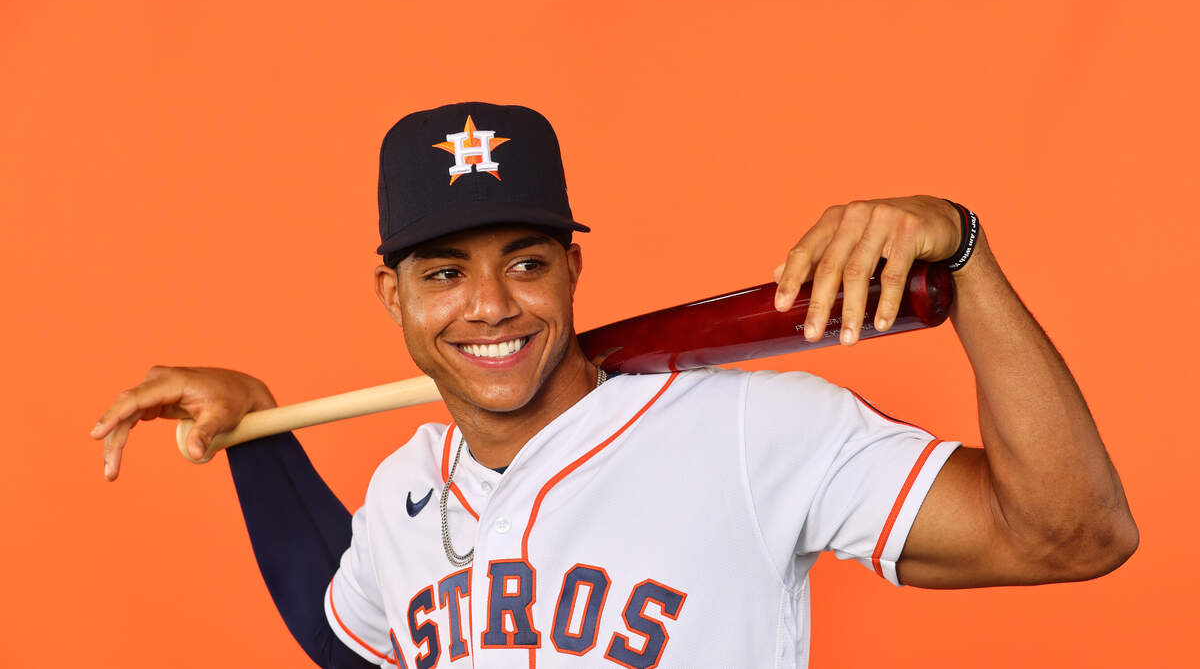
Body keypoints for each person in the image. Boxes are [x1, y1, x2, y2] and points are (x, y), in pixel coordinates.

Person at [91, 102, 1137, 668]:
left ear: (573, 270)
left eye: (526, 262)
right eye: (445, 273)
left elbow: (1072, 537)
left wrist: (968, 256)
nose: (490, 305)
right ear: (391, 296)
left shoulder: (749, 431)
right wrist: (261, 436)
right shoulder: (406, 487)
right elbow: (346, 635)